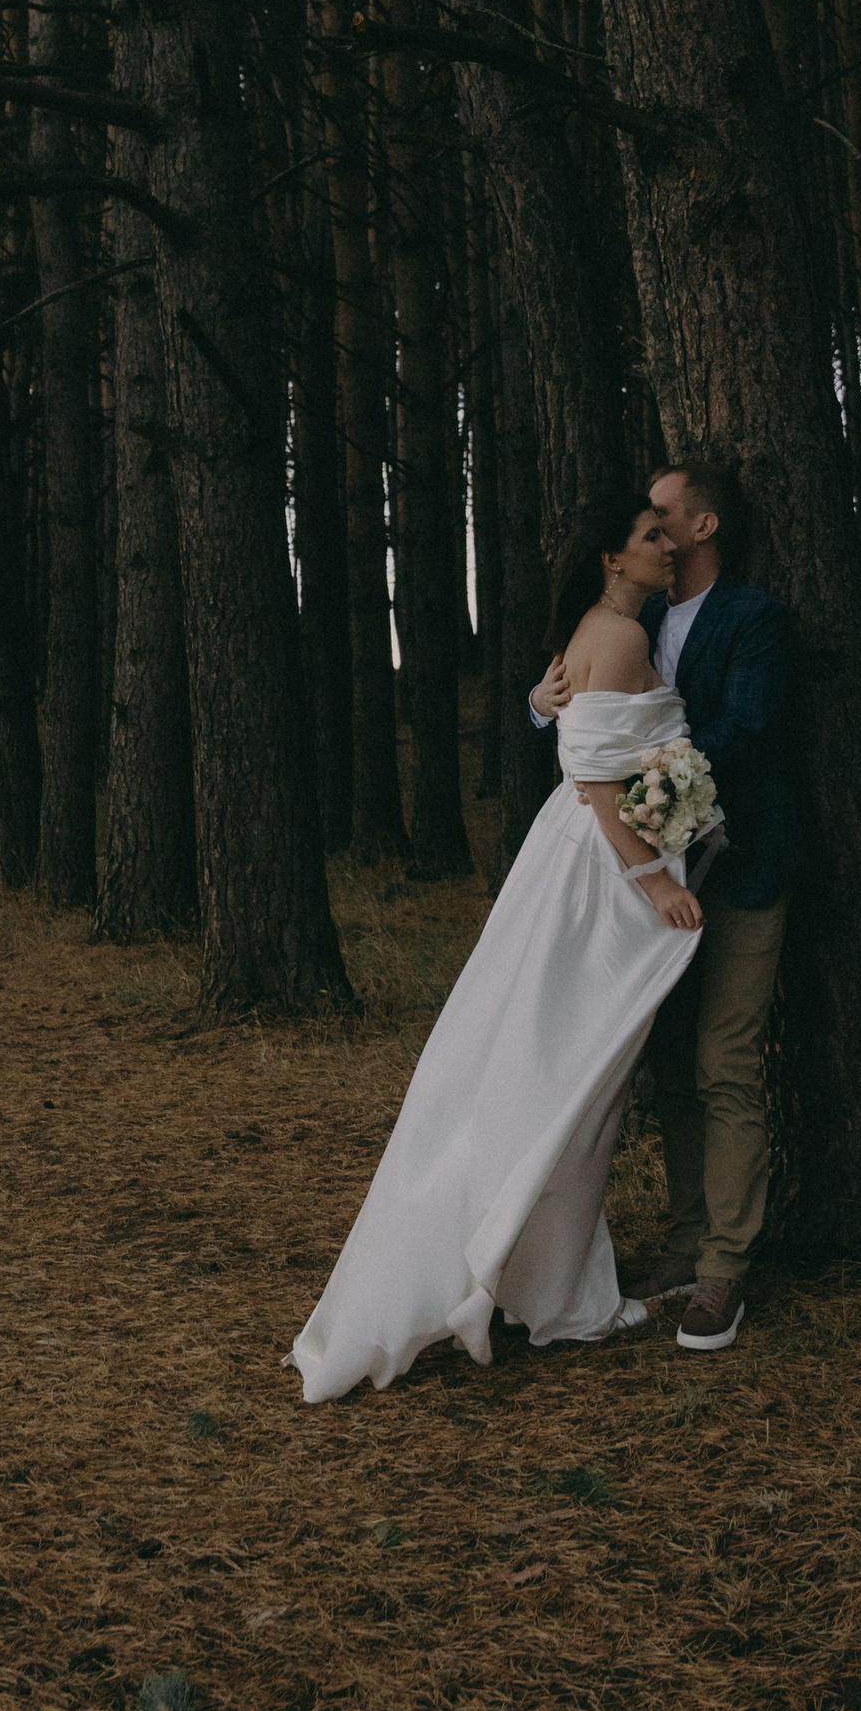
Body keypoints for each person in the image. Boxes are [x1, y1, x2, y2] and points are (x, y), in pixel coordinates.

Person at [288, 493, 721, 1404]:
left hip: (579, 863)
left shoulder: (605, 631)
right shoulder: (621, 636)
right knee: (569, 1074)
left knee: (566, 1075)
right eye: (650, 537)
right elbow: (595, 776)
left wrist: (539, 701)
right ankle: (540, 1286)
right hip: (599, 879)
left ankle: (548, 1282)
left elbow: (576, 727)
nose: (666, 546)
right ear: (613, 557)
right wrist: (657, 880)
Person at [528, 453, 804, 1355]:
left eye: (663, 515)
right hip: (653, 887)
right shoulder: (630, 618)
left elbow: (748, 729)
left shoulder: (753, 617)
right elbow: (589, 711)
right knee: (672, 1065)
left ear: (701, 527)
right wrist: (545, 706)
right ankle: (685, 1240)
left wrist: (652, 791)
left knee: (725, 1060)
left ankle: (726, 1263)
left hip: (739, 870)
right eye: (642, 523)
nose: (652, 527)